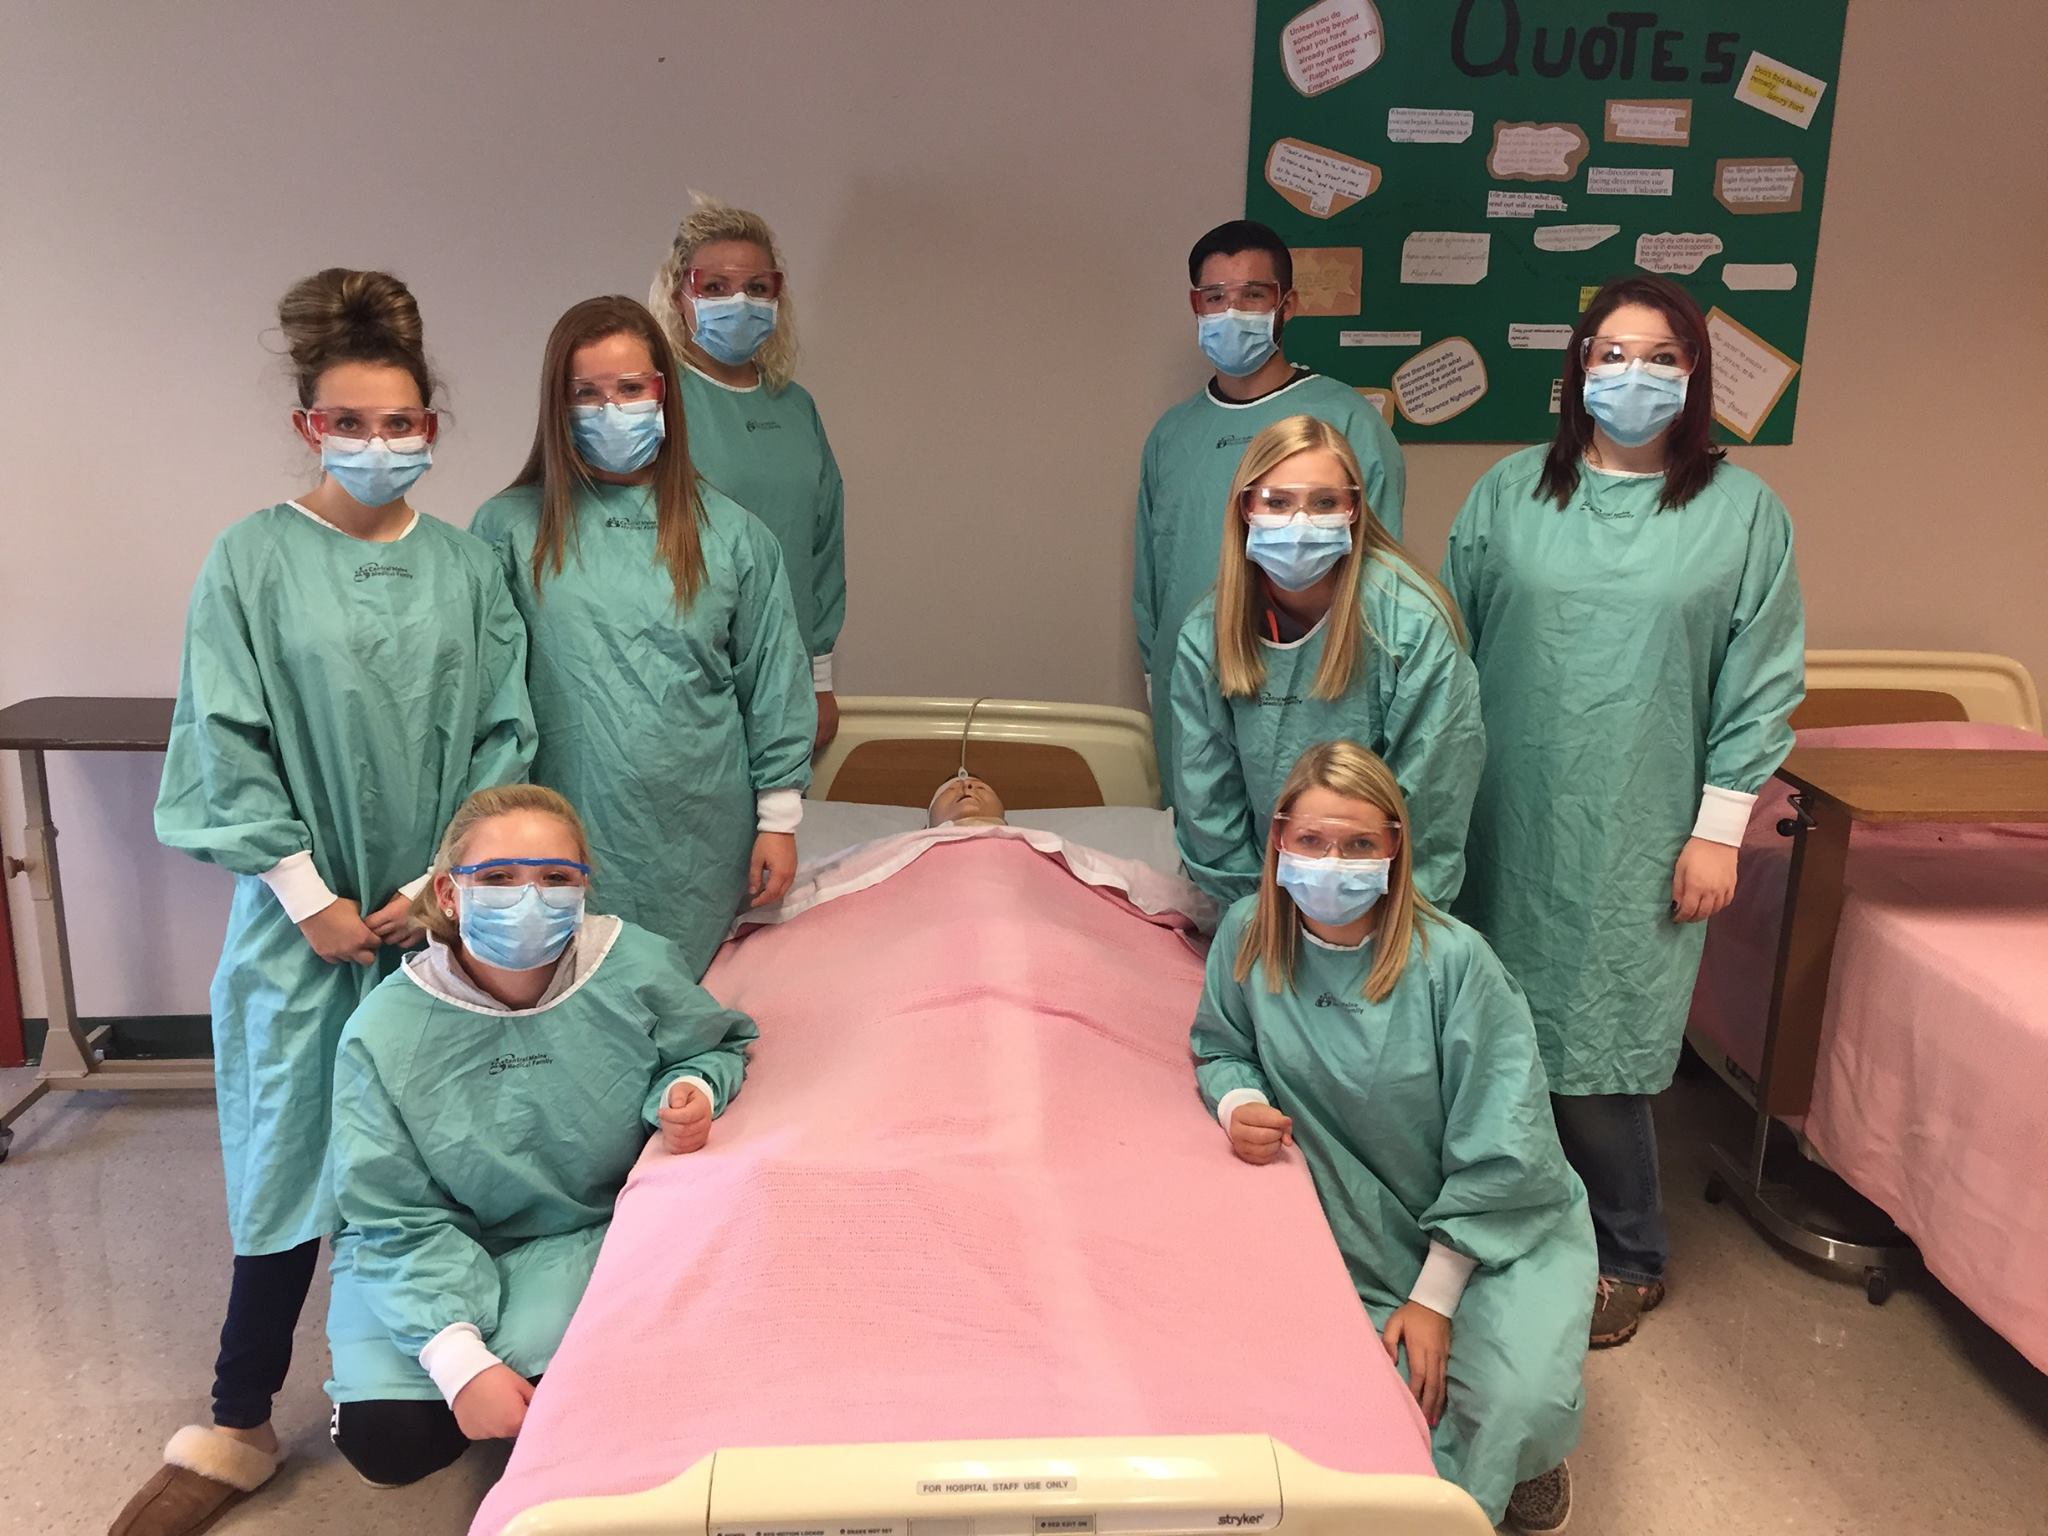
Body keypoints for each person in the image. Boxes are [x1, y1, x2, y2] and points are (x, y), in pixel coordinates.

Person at [120, 270, 534, 1536]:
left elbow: (502, 740)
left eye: (400, 423)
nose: (377, 445)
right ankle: (239, 1419)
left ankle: (479, 1389)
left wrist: (426, 892)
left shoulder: (466, 571)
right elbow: (222, 746)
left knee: (451, 1164)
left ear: (432, 424)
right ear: (309, 422)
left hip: (435, 926)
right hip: (302, 938)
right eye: (348, 423)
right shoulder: (250, 561)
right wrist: (311, 900)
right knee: (288, 1164)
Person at [1442, 273, 1804, 1349]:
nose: (1630, 376)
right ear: (1576, 368)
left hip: (1639, 819)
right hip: (1497, 806)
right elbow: (1442, 645)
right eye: (1609, 353)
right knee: (1483, 1023)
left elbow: (1760, 680)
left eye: (1658, 357)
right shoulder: (1509, 492)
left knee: (1600, 1041)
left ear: (1692, 376)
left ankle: (1627, 1250)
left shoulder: (1738, 512)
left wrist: (1716, 830)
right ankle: (1491, 1228)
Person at [1191, 741, 1593, 1534]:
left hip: (1500, 1226)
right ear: (1278, 840)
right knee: (1369, 1405)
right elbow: (1221, 1044)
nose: (1331, 864)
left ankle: (1533, 1453)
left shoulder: (1453, 965)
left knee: (1513, 1400)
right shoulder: (1247, 936)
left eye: (1358, 845)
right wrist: (1237, 1104)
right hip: (1356, 1223)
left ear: (1394, 849)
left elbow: (1504, 1136)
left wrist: (1437, 1295)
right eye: (1311, 842)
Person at [323, 784, 756, 1487]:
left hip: (575, 1232)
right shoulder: (385, 1033)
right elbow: (390, 1214)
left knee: (578, 1404)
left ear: (584, 887)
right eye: (497, 879)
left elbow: (712, 1046)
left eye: (556, 878)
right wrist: (459, 1360)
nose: (529, 899)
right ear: (449, 892)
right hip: (424, 1243)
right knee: (392, 1440)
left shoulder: (636, 968)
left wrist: (689, 1092)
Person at [471, 295, 816, 978]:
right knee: (575, 1015)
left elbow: (773, 681)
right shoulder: (509, 530)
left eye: (630, 389)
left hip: (699, 834)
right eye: (587, 394)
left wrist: (778, 819)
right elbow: (485, 696)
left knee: (682, 1018)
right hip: (560, 824)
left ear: (664, 393)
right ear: (556, 405)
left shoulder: (732, 534)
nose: (611, 409)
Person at [1134, 219, 1406, 806]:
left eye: (1253, 295)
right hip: (1198, 688)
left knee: (1311, 854)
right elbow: (1153, 584)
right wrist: (1164, 678)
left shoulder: (1345, 421)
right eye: (1216, 297)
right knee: (1206, 858)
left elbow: (1376, 578)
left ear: (1288, 305)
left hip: (1316, 691)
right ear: (1196, 305)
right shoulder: (1172, 436)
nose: (1233, 311)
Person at [1171, 414, 1482, 911]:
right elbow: (1209, 804)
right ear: (1246, 507)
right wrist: (1258, 919)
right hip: (1256, 901)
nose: (1300, 523)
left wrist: (1381, 924)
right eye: (1277, 502)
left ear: (1354, 509)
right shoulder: (1208, 635)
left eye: (1324, 503)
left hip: (1383, 901)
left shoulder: (1410, 628)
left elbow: (1431, 804)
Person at [650, 196, 846, 751]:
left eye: (757, 288)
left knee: (778, 829)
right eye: (714, 287)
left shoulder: (795, 408)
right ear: (678, 296)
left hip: (787, 675)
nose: (739, 302)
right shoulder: (660, 407)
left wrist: (820, 680)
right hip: (684, 678)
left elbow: (822, 545)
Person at [927, 773, 1007, 827]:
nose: (966, 784)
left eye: (981, 788)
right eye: (951, 789)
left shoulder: (1018, 839)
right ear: (926, 828)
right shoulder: (916, 846)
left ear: (1007, 824)